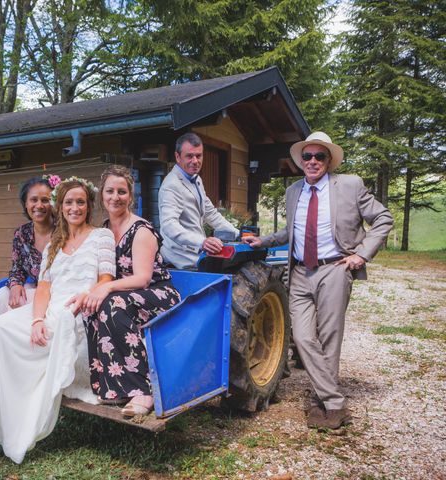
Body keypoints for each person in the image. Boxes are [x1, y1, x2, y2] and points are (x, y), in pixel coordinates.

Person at [0, 178, 116, 469]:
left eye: (80, 202)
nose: (74, 208)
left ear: (89, 205)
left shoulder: (101, 237)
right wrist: (35, 319)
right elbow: (44, 287)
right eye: (68, 202)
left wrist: (89, 294)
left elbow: (106, 279)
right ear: (61, 206)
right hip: (47, 307)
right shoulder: (54, 244)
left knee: (12, 354)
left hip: (78, 310)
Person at [242, 131, 393, 430]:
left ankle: (324, 403)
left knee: (329, 337)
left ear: (329, 161)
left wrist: (361, 254)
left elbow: (384, 218)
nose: (312, 161)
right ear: (301, 161)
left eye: (319, 156)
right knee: (301, 337)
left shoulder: (349, 185)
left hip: (333, 269)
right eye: (307, 156)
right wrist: (264, 241)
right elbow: (292, 231)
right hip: (299, 272)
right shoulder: (294, 191)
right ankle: (334, 400)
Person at [82, 165, 181, 417]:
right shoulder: (102, 230)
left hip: (157, 294)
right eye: (110, 191)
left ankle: (143, 390)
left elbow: (143, 278)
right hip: (122, 294)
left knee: (113, 305)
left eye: (122, 192)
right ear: (102, 195)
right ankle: (113, 387)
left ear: (131, 196)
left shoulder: (140, 230)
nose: (115, 197)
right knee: (92, 307)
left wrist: (105, 288)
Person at [158, 132, 239, 269]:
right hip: (180, 259)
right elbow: (169, 225)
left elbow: (210, 214)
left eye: (198, 155)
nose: (195, 161)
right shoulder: (171, 185)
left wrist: (237, 234)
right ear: (178, 157)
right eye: (189, 156)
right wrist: (202, 242)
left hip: (196, 253)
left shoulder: (196, 179)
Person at [0, 175, 59, 318]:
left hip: (59, 292)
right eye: (34, 200)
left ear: (54, 203)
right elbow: (17, 269)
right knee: (0, 297)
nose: (39, 205)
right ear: (26, 203)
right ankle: (6, 338)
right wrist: (15, 284)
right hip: (36, 288)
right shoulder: (22, 234)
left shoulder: (64, 230)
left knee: (18, 306)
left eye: (45, 200)